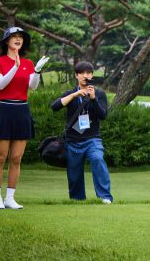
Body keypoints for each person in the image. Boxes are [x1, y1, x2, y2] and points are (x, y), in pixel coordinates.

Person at [0, 26, 49, 210]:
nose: (18, 39)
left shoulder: (28, 63)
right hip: (4, 109)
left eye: (20, 37)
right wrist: (14, 68)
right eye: (14, 36)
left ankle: (10, 198)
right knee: (0, 157)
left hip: (22, 110)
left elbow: (33, 87)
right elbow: (1, 84)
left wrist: (36, 71)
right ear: (6, 41)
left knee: (16, 158)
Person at [50, 61, 113, 204]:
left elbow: (103, 115)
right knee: (74, 174)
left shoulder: (99, 94)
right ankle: (77, 200)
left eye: (89, 73)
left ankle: (105, 197)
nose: (86, 76)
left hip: (92, 139)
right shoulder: (70, 93)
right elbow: (54, 107)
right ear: (76, 75)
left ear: (92, 75)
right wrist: (74, 95)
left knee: (98, 159)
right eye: (82, 73)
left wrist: (93, 99)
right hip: (72, 141)